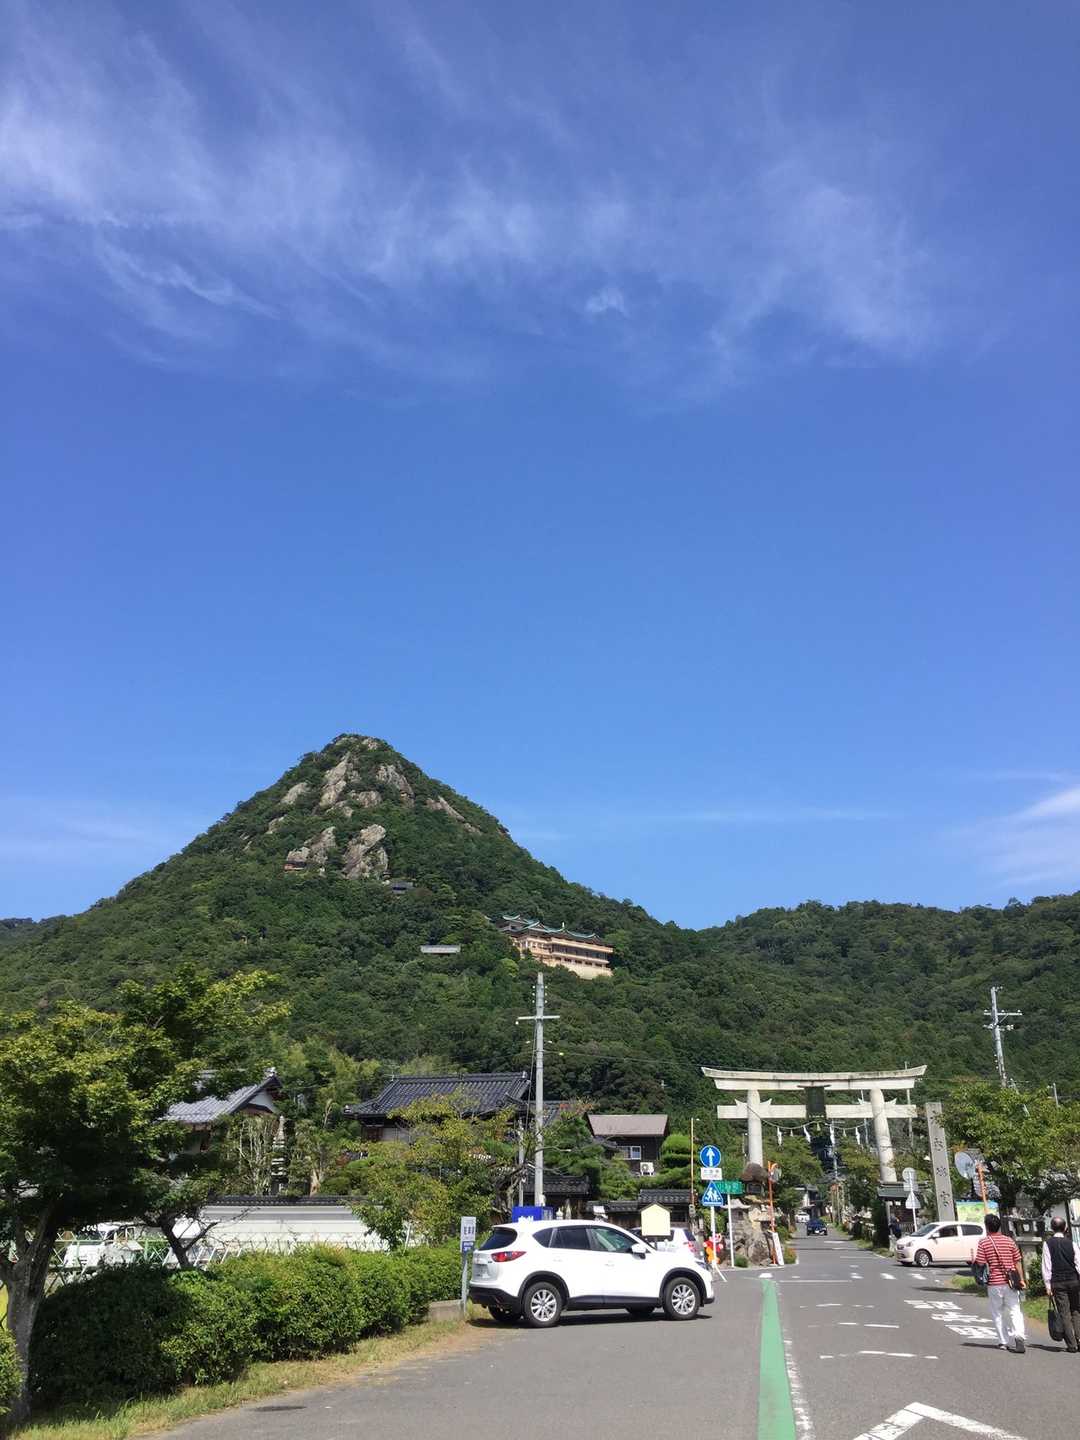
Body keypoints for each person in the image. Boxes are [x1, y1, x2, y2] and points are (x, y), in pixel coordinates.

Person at [975, 1213, 1026, 1353]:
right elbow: (1017, 1261)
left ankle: (1003, 1341)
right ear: (999, 1226)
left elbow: (980, 1262)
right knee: (1015, 1310)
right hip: (1011, 1282)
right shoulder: (1009, 1241)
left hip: (994, 1283)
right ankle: (1019, 1337)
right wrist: (1021, 1279)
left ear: (987, 1227)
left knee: (997, 1312)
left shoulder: (984, 1242)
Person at [1042, 1216, 1080, 1353]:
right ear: (1065, 1228)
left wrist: (1048, 1286)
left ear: (1052, 1228)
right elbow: (1078, 1263)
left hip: (1058, 1283)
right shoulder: (1072, 1243)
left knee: (1064, 1312)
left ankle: (1072, 1344)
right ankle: (1079, 1339)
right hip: (1074, 1281)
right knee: (1076, 1310)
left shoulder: (1047, 1244)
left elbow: (1047, 1266)